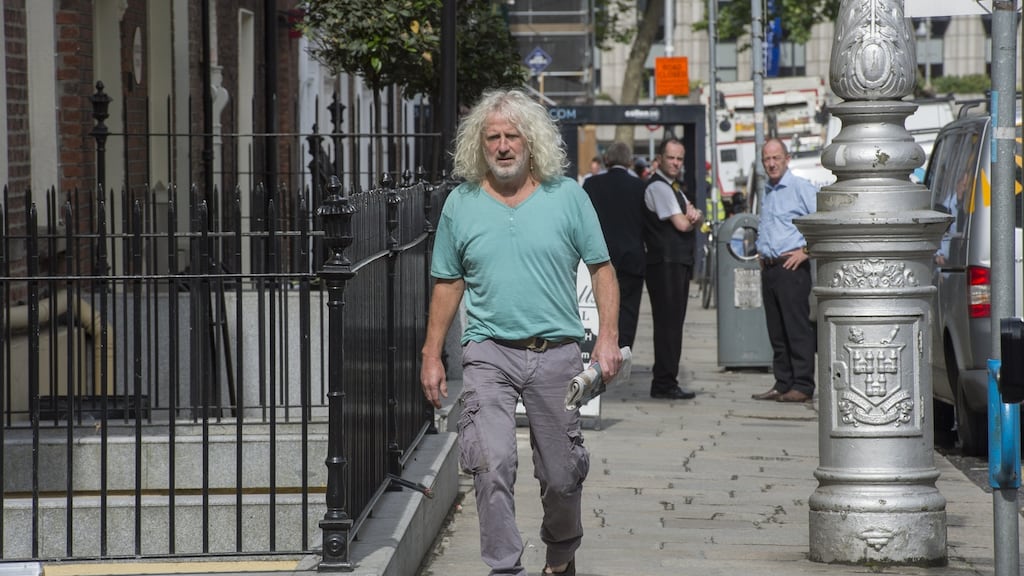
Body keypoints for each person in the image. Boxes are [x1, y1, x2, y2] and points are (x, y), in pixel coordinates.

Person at [420, 88, 623, 576]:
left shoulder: (567, 197)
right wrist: (431, 353)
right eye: (493, 137)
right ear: (480, 144)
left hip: (556, 355)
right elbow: (447, 283)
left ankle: (559, 555)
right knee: (490, 463)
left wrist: (608, 337)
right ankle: (504, 567)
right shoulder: (461, 204)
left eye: (513, 136)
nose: (504, 146)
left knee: (561, 475)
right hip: (488, 352)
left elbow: (602, 269)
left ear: (531, 142)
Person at [751, 138, 818, 403]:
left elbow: (820, 223)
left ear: (787, 159)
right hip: (770, 268)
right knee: (776, 331)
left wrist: (806, 251)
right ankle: (783, 382)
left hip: (792, 269)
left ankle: (802, 385)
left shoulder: (800, 188)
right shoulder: (768, 190)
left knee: (796, 329)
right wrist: (762, 251)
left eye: (776, 158)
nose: (771, 164)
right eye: (767, 159)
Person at [643, 138, 703, 400]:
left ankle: (667, 379)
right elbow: (683, 223)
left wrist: (694, 217)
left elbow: (694, 215)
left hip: (673, 263)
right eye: (672, 158)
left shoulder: (673, 188)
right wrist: (692, 220)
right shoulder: (660, 188)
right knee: (668, 325)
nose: (676, 163)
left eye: (680, 158)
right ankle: (664, 382)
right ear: (660, 159)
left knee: (673, 324)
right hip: (665, 264)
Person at [583, 141, 647, 349]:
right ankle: (623, 352)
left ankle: (599, 350)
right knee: (628, 313)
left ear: (606, 160)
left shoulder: (591, 185)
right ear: (629, 162)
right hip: (632, 259)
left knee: (598, 309)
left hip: (599, 258)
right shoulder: (640, 187)